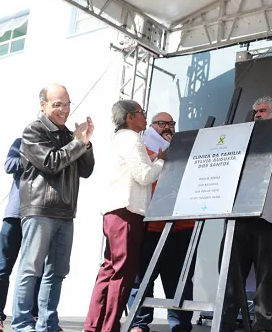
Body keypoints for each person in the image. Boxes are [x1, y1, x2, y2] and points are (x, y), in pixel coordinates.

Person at [12, 84, 95, 332]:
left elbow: (86, 170)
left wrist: (86, 144)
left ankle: (47, 323)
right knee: (30, 269)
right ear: (43, 105)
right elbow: (50, 163)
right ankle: (22, 324)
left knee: (57, 272)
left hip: (66, 211)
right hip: (39, 209)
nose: (64, 109)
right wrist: (77, 143)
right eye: (57, 104)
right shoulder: (33, 130)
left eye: (67, 104)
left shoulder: (70, 135)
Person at [83, 101, 165, 332]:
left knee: (109, 269)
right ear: (130, 117)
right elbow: (145, 175)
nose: (144, 116)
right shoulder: (131, 139)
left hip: (114, 211)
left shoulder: (118, 139)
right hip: (127, 212)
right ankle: (109, 326)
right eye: (141, 113)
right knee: (123, 272)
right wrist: (161, 160)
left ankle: (94, 325)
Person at [222, 97, 272, 332]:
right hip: (239, 216)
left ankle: (262, 327)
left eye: (262, 111)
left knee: (265, 280)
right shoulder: (243, 137)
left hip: (268, 219)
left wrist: (247, 153)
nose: (256, 115)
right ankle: (225, 326)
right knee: (232, 280)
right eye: (254, 112)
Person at [127, 111, 196, 332]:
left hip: (183, 225)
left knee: (180, 281)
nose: (167, 128)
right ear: (150, 126)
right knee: (142, 279)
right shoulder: (143, 148)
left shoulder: (186, 149)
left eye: (171, 124)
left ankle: (180, 325)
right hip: (150, 226)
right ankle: (139, 323)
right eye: (161, 124)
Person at [0, 139, 39, 332]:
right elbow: (9, 165)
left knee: (36, 269)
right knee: (3, 268)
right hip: (15, 214)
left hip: (40, 216)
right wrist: (35, 154)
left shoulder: (57, 147)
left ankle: (33, 315)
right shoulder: (23, 142)